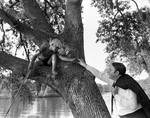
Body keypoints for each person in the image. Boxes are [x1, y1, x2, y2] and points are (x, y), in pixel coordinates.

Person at [78, 59, 150, 118]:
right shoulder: (116, 81)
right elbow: (100, 74)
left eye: (110, 70)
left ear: (116, 73)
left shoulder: (126, 85)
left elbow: (132, 105)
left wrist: (116, 95)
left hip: (134, 115)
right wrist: (85, 65)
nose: (108, 71)